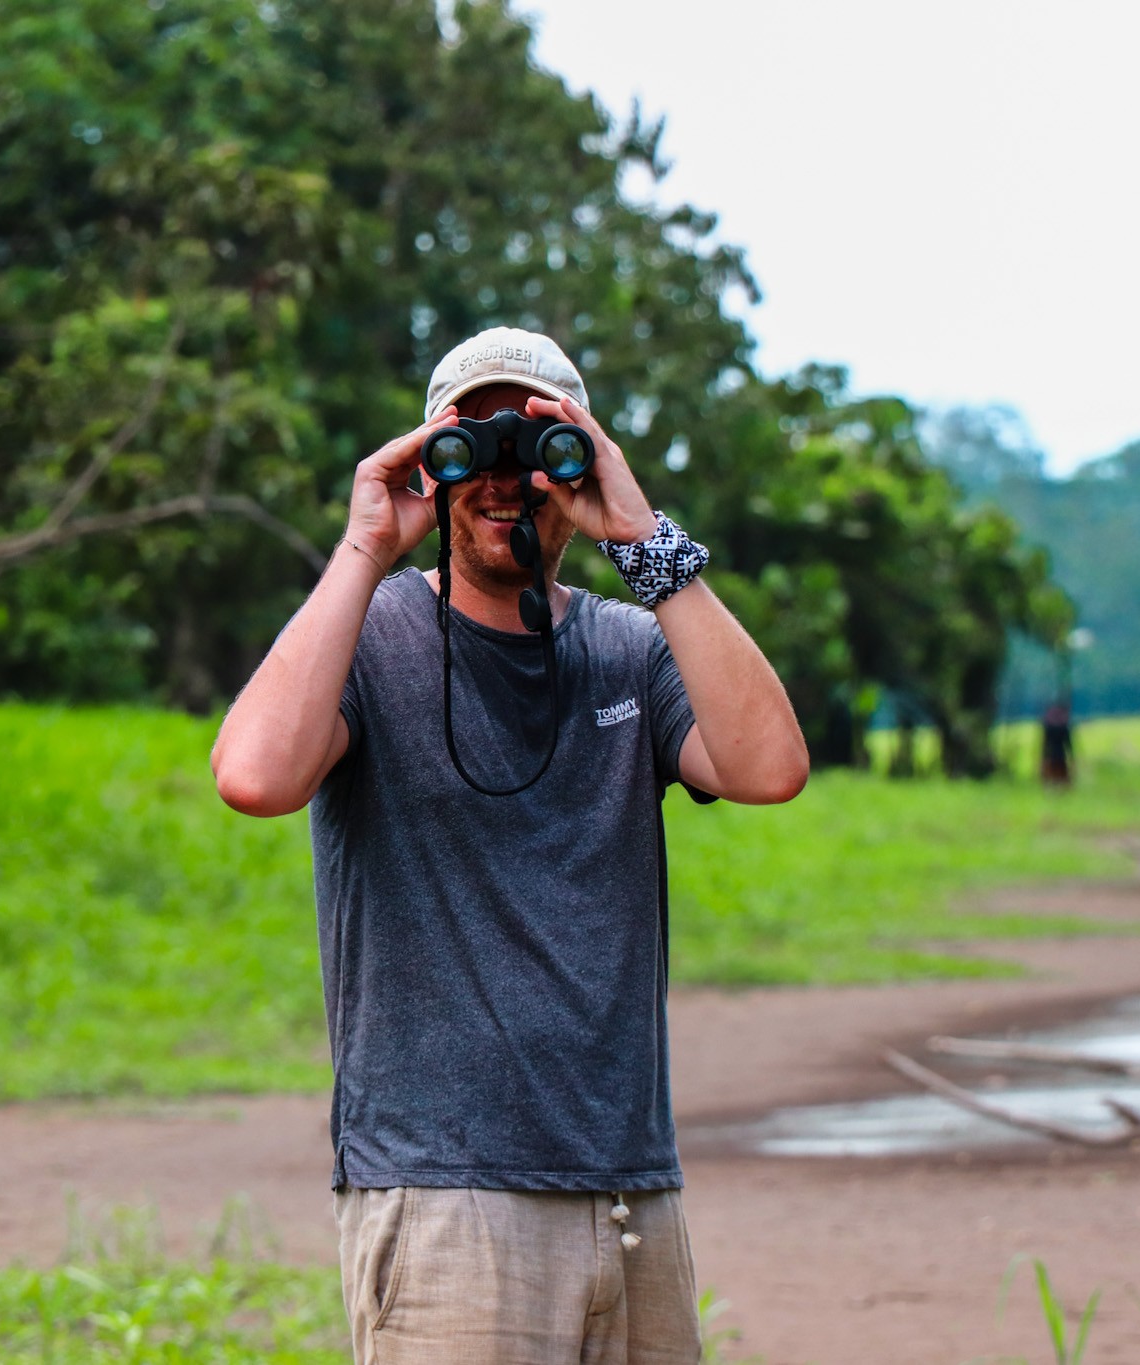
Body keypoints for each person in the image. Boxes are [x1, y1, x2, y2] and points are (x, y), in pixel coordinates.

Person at [210, 327, 808, 1364]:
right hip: (445, 1194)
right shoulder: (373, 639)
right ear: (430, 465)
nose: (502, 481)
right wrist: (363, 549)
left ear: (578, 460)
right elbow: (255, 777)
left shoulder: (626, 648)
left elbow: (767, 768)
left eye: (533, 450)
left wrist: (642, 539)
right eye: (471, 449)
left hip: (628, 1187)